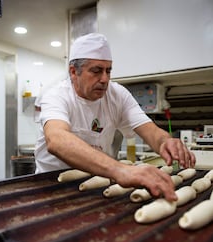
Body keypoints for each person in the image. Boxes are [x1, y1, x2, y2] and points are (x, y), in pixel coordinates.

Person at [34, 33, 196, 202]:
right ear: (74, 72)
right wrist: (121, 170)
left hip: (95, 185)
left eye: (108, 71)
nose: (104, 79)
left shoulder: (117, 94)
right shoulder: (57, 96)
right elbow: (57, 140)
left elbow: (149, 129)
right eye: (96, 71)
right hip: (51, 188)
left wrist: (165, 141)